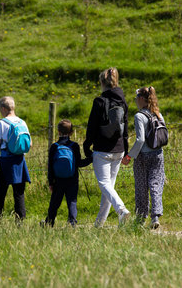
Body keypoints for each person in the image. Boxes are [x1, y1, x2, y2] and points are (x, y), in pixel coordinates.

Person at [83, 67, 132, 227]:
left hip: (102, 150)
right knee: (109, 187)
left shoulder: (99, 101)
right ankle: (99, 224)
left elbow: (92, 127)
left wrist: (86, 145)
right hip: (119, 149)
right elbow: (126, 128)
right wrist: (126, 149)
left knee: (104, 184)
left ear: (102, 83)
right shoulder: (123, 101)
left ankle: (121, 209)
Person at [122, 86, 165, 229]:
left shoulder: (139, 116)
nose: (135, 101)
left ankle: (140, 219)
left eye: (136, 99)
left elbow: (140, 140)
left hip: (143, 157)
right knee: (155, 185)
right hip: (158, 154)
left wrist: (129, 155)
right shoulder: (158, 114)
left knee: (141, 187)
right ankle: (155, 217)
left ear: (141, 99)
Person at [43, 119, 92, 227]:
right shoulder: (74, 146)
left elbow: (50, 166)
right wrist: (91, 158)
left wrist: (51, 182)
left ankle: (49, 222)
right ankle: (72, 223)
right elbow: (79, 163)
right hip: (72, 179)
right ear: (71, 133)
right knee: (72, 202)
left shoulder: (54, 147)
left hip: (57, 180)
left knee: (54, 203)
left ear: (58, 132)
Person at [0, 96, 31, 220]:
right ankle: (20, 219)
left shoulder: (1, 123)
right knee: (19, 192)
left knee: (0, 191)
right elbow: (29, 143)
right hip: (20, 161)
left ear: (3, 109)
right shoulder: (22, 122)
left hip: (5, 161)